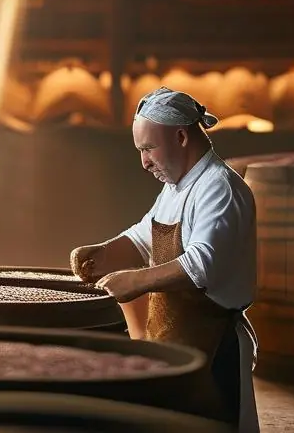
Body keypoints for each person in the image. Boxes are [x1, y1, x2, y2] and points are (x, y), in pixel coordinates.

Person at [70, 87, 259, 432]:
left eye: (148, 149)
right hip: (179, 342)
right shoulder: (176, 188)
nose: (144, 162)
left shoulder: (219, 187)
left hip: (216, 347)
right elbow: (143, 237)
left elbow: (203, 264)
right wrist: (102, 253)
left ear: (181, 137)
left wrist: (135, 281)